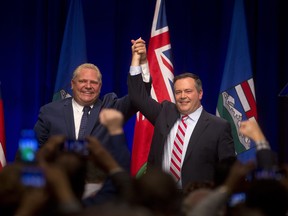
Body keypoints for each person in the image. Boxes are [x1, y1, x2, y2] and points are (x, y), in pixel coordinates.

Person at [128, 37, 236, 190]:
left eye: (188, 91)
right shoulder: (164, 112)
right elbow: (138, 97)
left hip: (197, 202)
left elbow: (227, 172)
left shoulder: (218, 126)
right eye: (178, 92)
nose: (182, 96)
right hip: (160, 199)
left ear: (200, 94)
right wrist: (139, 60)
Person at [34, 56, 150, 152]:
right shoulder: (50, 111)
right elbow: (36, 149)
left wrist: (141, 62)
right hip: (60, 178)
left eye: (94, 82)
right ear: (72, 84)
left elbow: (139, 97)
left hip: (97, 178)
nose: (88, 86)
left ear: (100, 87)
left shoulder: (110, 108)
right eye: (83, 81)